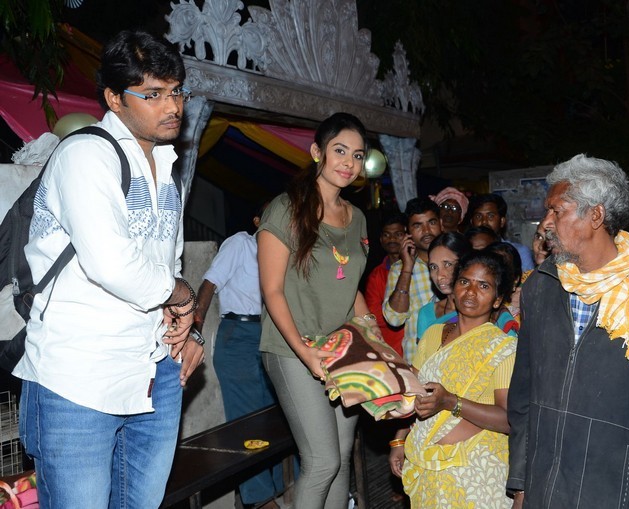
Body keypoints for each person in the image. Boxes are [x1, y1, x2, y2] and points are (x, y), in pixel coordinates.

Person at [13, 30, 204, 507]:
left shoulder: (167, 165)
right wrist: (183, 298)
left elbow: (167, 263)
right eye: (153, 94)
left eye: (177, 91)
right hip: (78, 375)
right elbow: (113, 264)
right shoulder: (85, 154)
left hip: (154, 368)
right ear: (114, 99)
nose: (172, 106)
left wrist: (187, 331)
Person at [506, 154, 629, 508]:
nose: (546, 223)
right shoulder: (541, 288)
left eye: (557, 211)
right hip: (545, 491)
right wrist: (521, 483)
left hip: (619, 494)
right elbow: (523, 398)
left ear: (595, 215)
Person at [258, 112, 381, 509]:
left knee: (342, 456)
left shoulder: (356, 217)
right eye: (339, 151)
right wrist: (304, 351)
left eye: (358, 156)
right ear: (317, 152)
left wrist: (371, 337)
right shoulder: (285, 209)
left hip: (341, 347)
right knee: (322, 461)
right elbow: (272, 290)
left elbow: (351, 286)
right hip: (291, 347)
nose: (349, 163)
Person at [390, 250, 517, 508]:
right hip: (426, 463)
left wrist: (450, 401)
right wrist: (399, 439)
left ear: (497, 300)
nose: (471, 292)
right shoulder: (433, 334)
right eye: (464, 281)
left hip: (477, 470)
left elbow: (507, 420)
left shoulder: (503, 348)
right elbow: (411, 392)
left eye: (484, 286)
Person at [194, 210, 283, 508]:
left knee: (276, 417)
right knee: (247, 422)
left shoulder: (282, 251)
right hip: (239, 333)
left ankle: (279, 487)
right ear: (256, 220)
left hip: (272, 334)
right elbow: (209, 284)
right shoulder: (240, 245)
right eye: (271, 213)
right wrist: (194, 332)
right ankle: (259, 499)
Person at [383, 197, 442, 362]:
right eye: (418, 225)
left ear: (441, 223)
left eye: (431, 222)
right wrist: (407, 268)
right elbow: (394, 319)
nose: (427, 231)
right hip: (417, 361)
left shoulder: (459, 261)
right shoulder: (399, 270)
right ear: (407, 231)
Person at [364, 213, 408, 356]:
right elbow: (374, 315)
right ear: (381, 239)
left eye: (398, 234)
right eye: (387, 235)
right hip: (390, 349)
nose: (392, 239)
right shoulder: (376, 275)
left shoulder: (420, 267)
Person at [415, 232, 472, 341]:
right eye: (433, 267)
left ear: (465, 264)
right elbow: (423, 356)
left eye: (448, 264)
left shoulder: (482, 310)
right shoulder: (427, 313)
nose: (439, 275)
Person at [466, 193, 535, 271]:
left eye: (490, 216)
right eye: (478, 216)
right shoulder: (464, 250)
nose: (484, 222)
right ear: (471, 222)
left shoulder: (519, 252)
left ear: (502, 221)